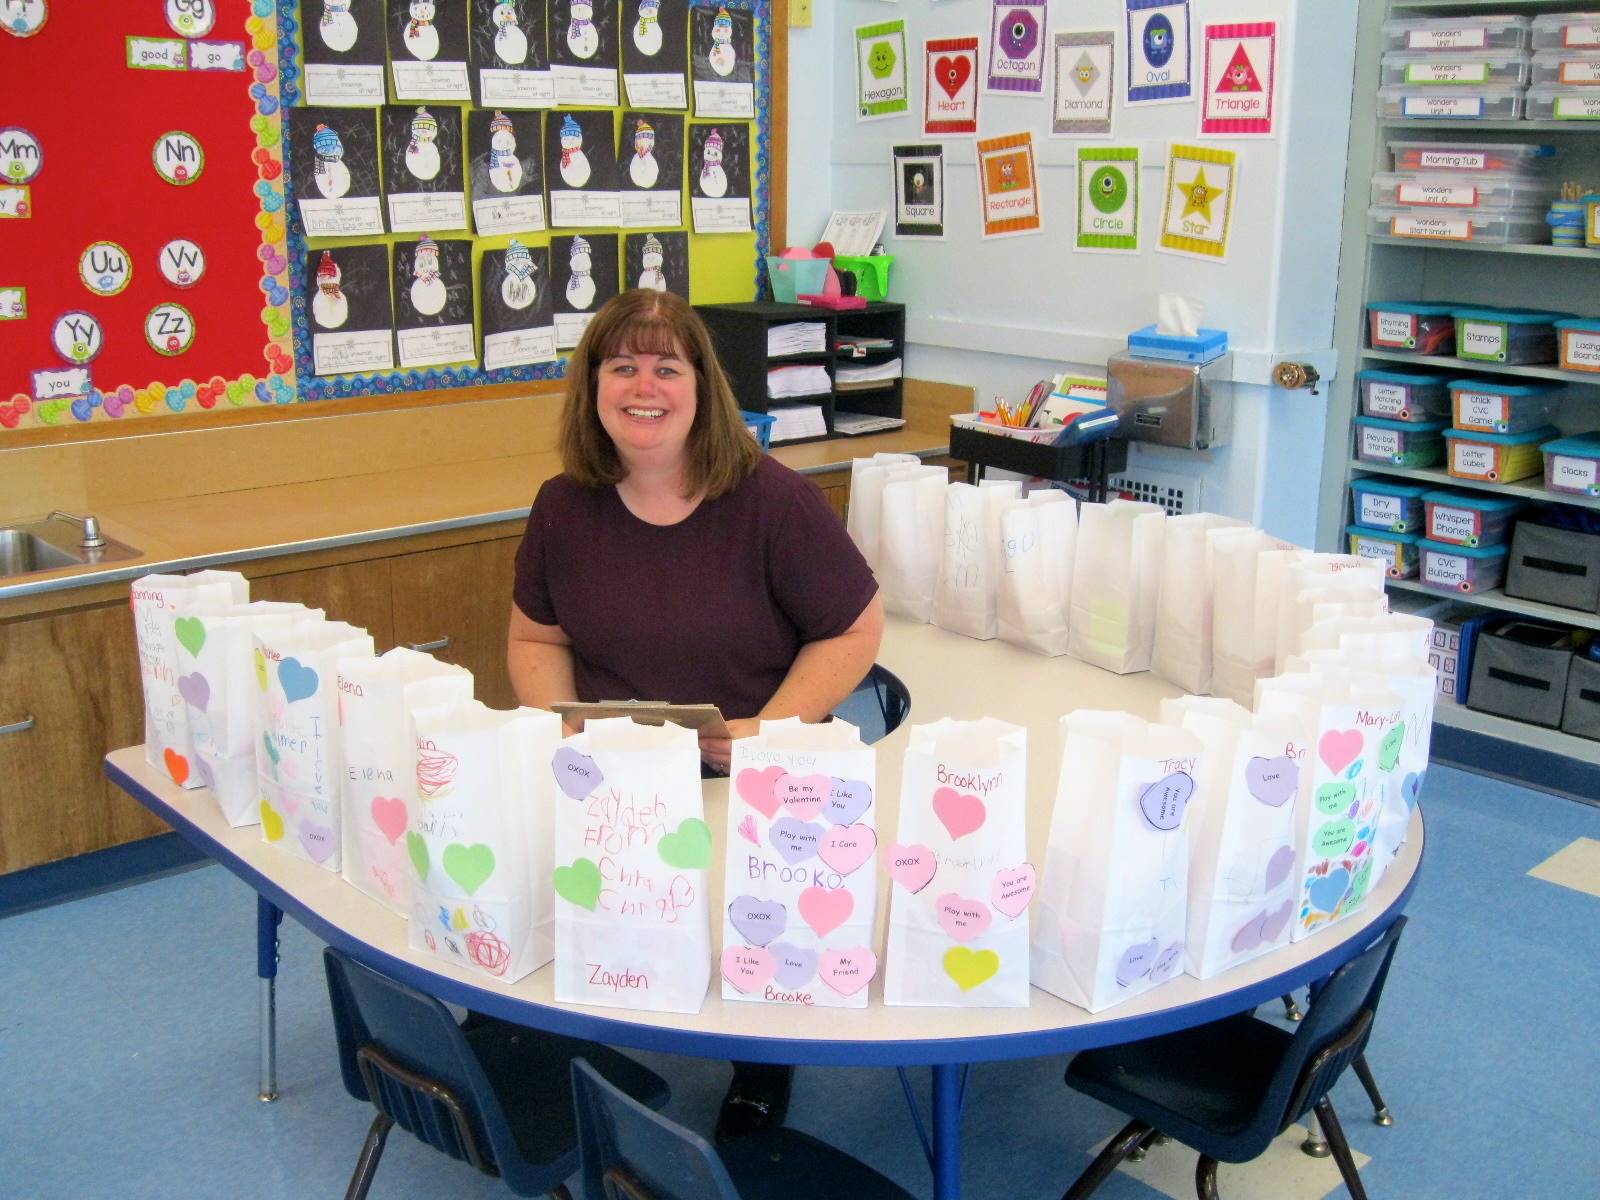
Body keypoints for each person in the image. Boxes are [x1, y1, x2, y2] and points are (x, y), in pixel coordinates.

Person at [506, 288, 885, 1136]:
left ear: (701, 386)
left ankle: (761, 1067)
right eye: (623, 366)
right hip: (613, 781)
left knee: (746, 933)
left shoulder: (771, 501)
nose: (645, 387)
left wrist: (767, 735)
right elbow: (534, 637)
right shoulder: (564, 505)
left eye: (666, 367)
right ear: (593, 387)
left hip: (741, 780)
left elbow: (856, 628)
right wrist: (560, 727)